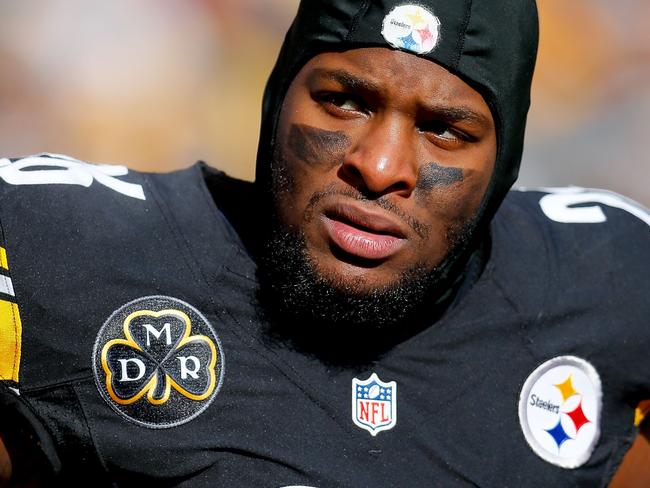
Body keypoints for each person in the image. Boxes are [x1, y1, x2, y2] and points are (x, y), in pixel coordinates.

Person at [0, 0, 648, 485]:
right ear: (277, 98)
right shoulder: (70, 250)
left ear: (504, 164)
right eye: (345, 102)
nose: (381, 165)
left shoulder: (606, 287)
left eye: (446, 130)